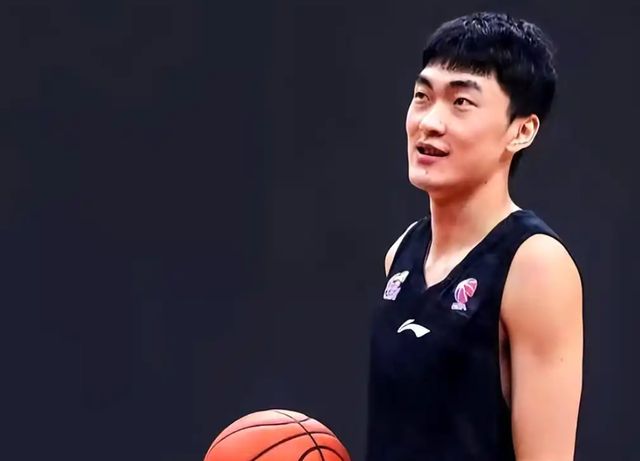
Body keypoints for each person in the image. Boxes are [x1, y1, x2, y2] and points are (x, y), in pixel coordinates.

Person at [365, 12, 583, 461]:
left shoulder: (535, 266)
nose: (430, 122)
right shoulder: (401, 254)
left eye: (461, 102)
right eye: (422, 97)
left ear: (521, 131)